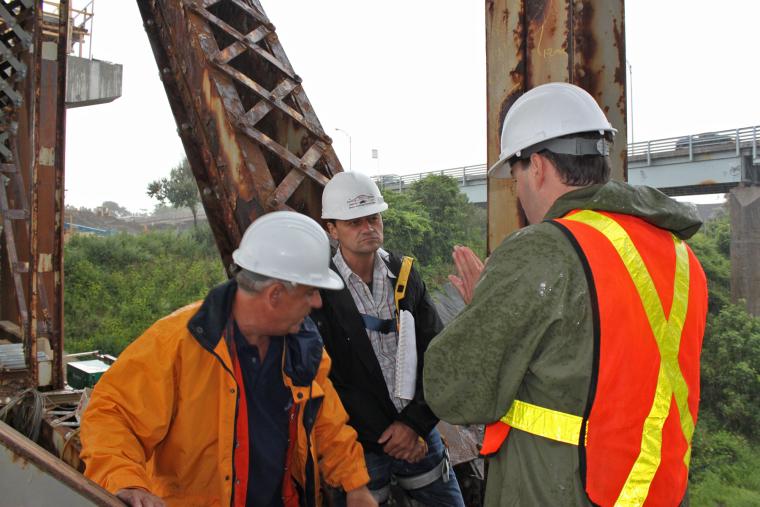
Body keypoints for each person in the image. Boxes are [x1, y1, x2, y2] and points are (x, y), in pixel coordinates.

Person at [423, 82, 708, 506]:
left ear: (536, 166)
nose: (518, 189)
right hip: (655, 491)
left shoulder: (545, 249)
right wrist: (498, 312)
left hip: (560, 489)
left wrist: (482, 310)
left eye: (516, 174)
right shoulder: (680, 257)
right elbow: (597, 359)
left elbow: (451, 389)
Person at [80, 211, 377, 507]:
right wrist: (126, 481)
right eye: (310, 292)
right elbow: (113, 414)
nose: (317, 303)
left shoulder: (303, 348)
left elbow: (328, 425)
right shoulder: (180, 343)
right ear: (274, 295)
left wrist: (355, 486)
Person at [310, 172, 465, 506]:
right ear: (332, 229)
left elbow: (435, 353)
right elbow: (328, 381)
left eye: (373, 218)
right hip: (359, 444)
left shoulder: (405, 276)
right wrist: (390, 434)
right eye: (354, 222)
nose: (367, 227)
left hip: (417, 432)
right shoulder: (319, 292)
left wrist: (415, 425)